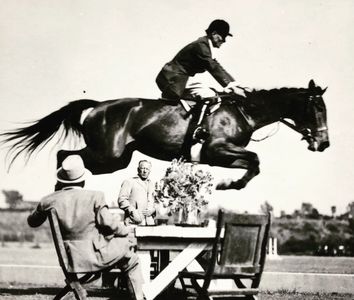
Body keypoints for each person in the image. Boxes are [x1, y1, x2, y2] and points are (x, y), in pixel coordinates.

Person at [27, 155, 144, 300]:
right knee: (131, 258)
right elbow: (110, 225)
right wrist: (126, 230)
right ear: (82, 180)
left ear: (61, 180)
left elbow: (32, 222)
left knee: (126, 248)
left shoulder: (49, 200)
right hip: (96, 256)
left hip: (70, 260)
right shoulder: (95, 197)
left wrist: (55, 192)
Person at [156, 19, 246, 141]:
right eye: (223, 36)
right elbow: (212, 66)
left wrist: (235, 85)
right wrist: (231, 86)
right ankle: (196, 131)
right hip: (174, 78)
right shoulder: (201, 46)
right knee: (209, 95)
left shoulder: (204, 45)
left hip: (179, 77)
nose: (224, 41)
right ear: (214, 34)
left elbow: (216, 65)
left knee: (210, 92)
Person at [118, 160, 156, 284]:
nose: (145, 171)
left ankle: (145, 283)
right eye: (142, 168)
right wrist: (131, 210)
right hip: (133, 223)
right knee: (132, 255)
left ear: (150, 171)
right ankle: (130, 283)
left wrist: (152, 210)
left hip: (148, 224)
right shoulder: (130, 181)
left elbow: (157, 203)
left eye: (147, 169)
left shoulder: (152, 184)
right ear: (138, 169)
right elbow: (121, 199)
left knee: (146, 254)